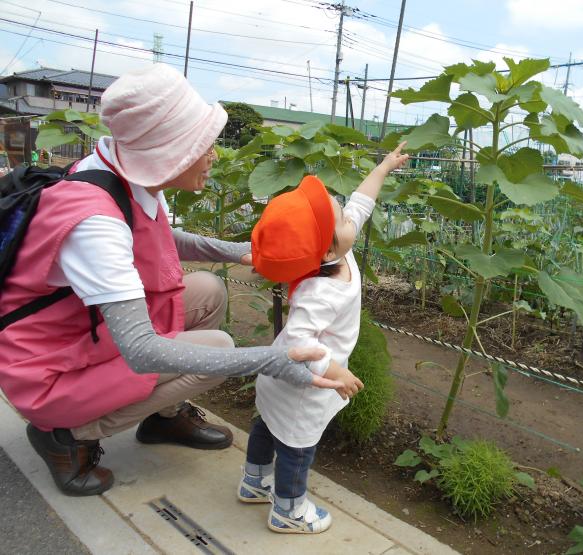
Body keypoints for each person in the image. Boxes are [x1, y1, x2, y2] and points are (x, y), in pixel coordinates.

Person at [0, 63, 360, 497]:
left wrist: (240, 253)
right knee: (220, 349)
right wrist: (271, 359)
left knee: (207, 291)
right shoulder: (93, 221)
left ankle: (162, 417)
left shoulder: (120, 172)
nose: (214, 155)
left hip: (81, 329)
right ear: (171, 153)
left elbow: (159, 235)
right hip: (48, 368)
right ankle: (66, 435)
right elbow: (140, 351)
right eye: (205, 145)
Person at [237, 142, 409, 534]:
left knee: (268, 425)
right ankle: (288, 510)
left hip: (276, 379)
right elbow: (296, 339)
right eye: (341, 218)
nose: (350, 217)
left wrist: (383, 168)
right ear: (328, 247)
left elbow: (360, 207)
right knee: (297, 446)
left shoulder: (331, 252)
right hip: (303, 384)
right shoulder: (321, 289)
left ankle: (253, 481)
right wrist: (333, 369)